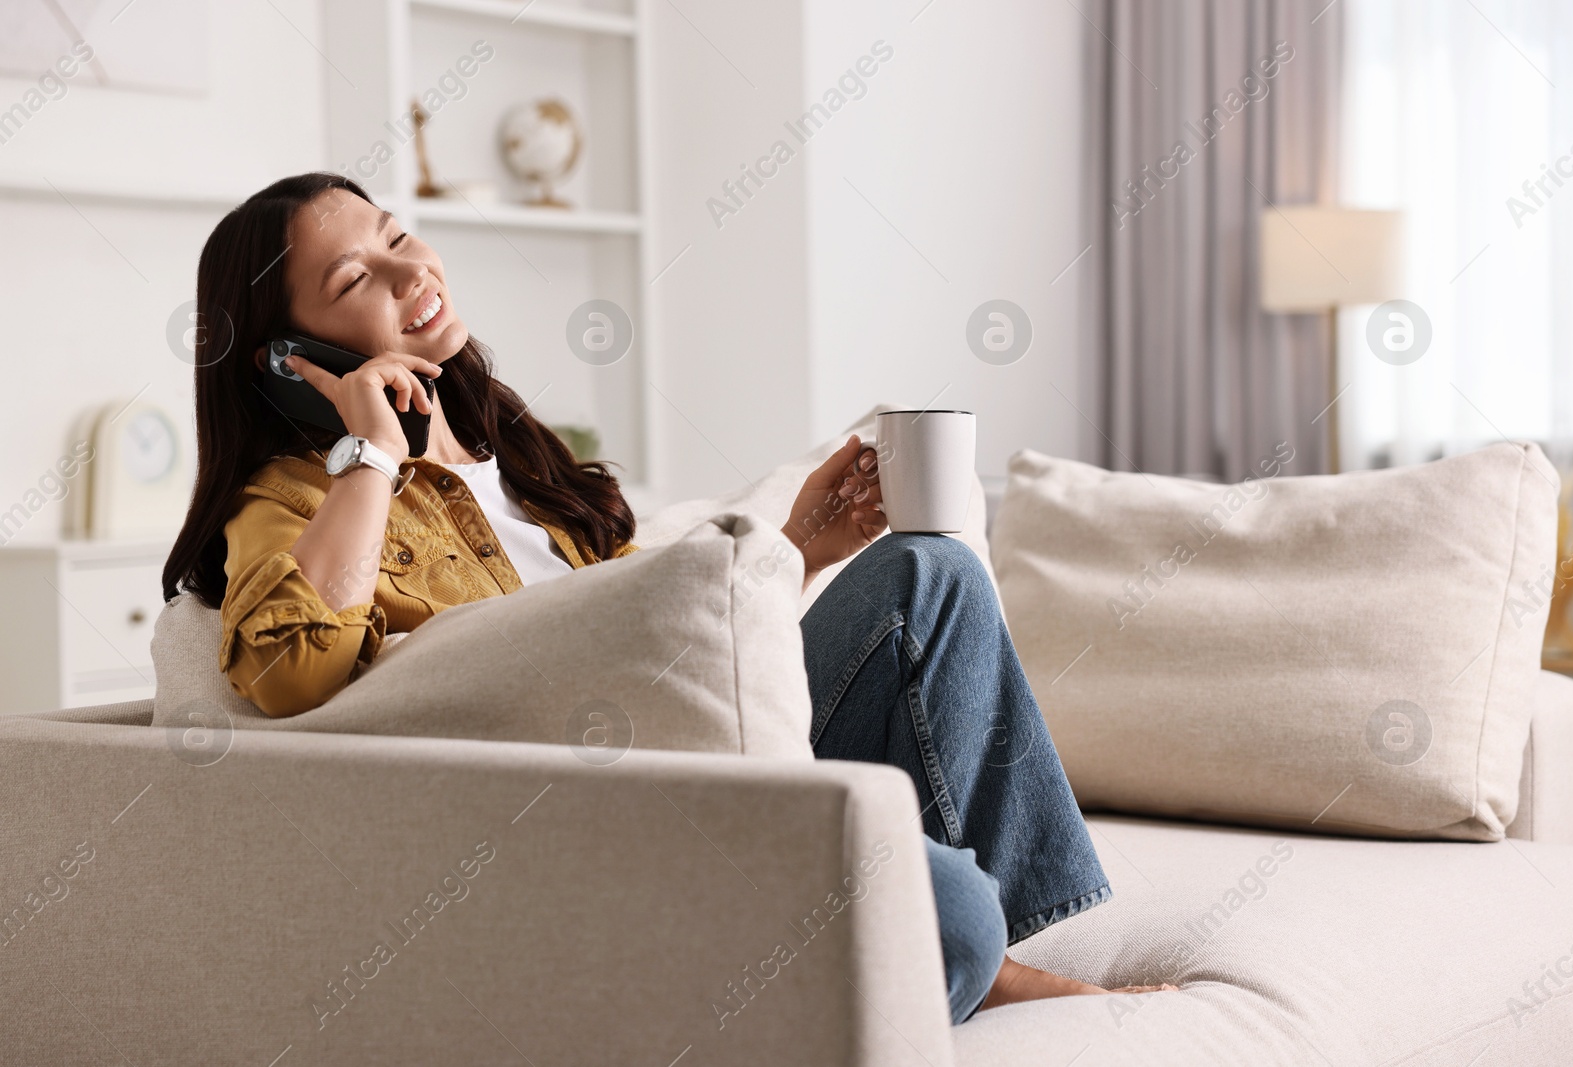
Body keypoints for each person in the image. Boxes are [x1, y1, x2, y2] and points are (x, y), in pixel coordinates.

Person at [161, 172, 1174, 1025]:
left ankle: (1009, 951)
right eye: (354, 280)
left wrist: (795, 549)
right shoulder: (295, 497)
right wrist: (368, 453)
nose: (409, 273)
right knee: (939, 908)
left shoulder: (513, 448)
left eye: (396, 239)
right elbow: (290, 669)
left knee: (927, 571)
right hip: (621, 815)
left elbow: (646, 632)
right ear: (293, 360)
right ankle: (974, 953)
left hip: (699, 742)